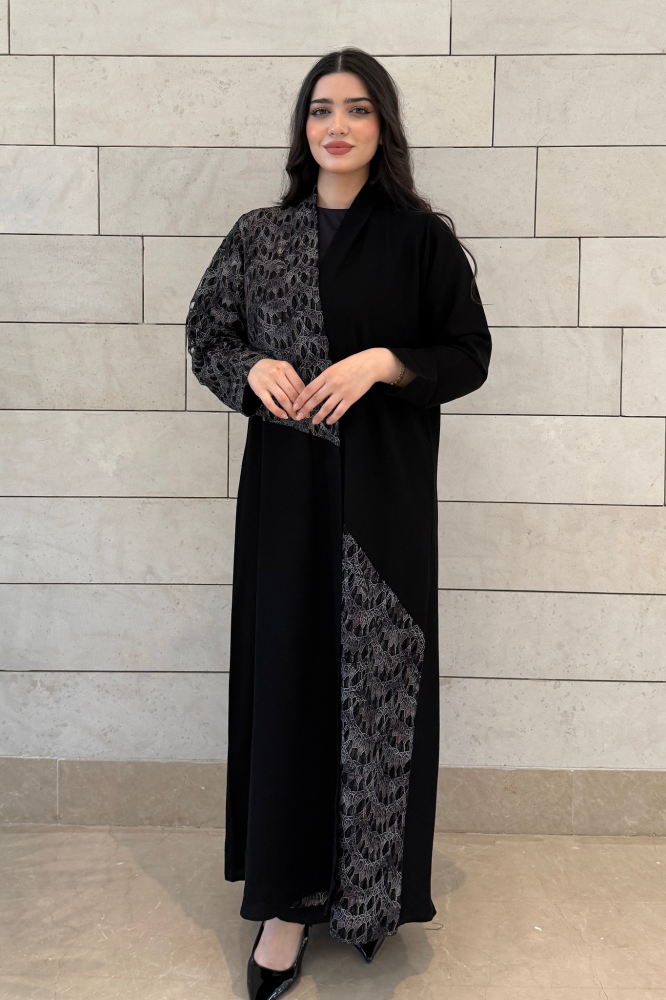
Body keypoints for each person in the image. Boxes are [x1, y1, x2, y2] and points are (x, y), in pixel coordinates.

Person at [186, 46, 492, 1000]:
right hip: (287, 505)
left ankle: (367, 895)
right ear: (303, 126)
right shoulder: (259, 235)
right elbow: (207, 332)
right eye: (322, 109)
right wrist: (249, 368)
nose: (338, 125)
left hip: (384, 511)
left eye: (358, 109)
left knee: (378, 695)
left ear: (382, 125)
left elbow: (469, 353)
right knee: (289, 684)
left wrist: (384, 363)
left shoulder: (420, 241)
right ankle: (284, 908)